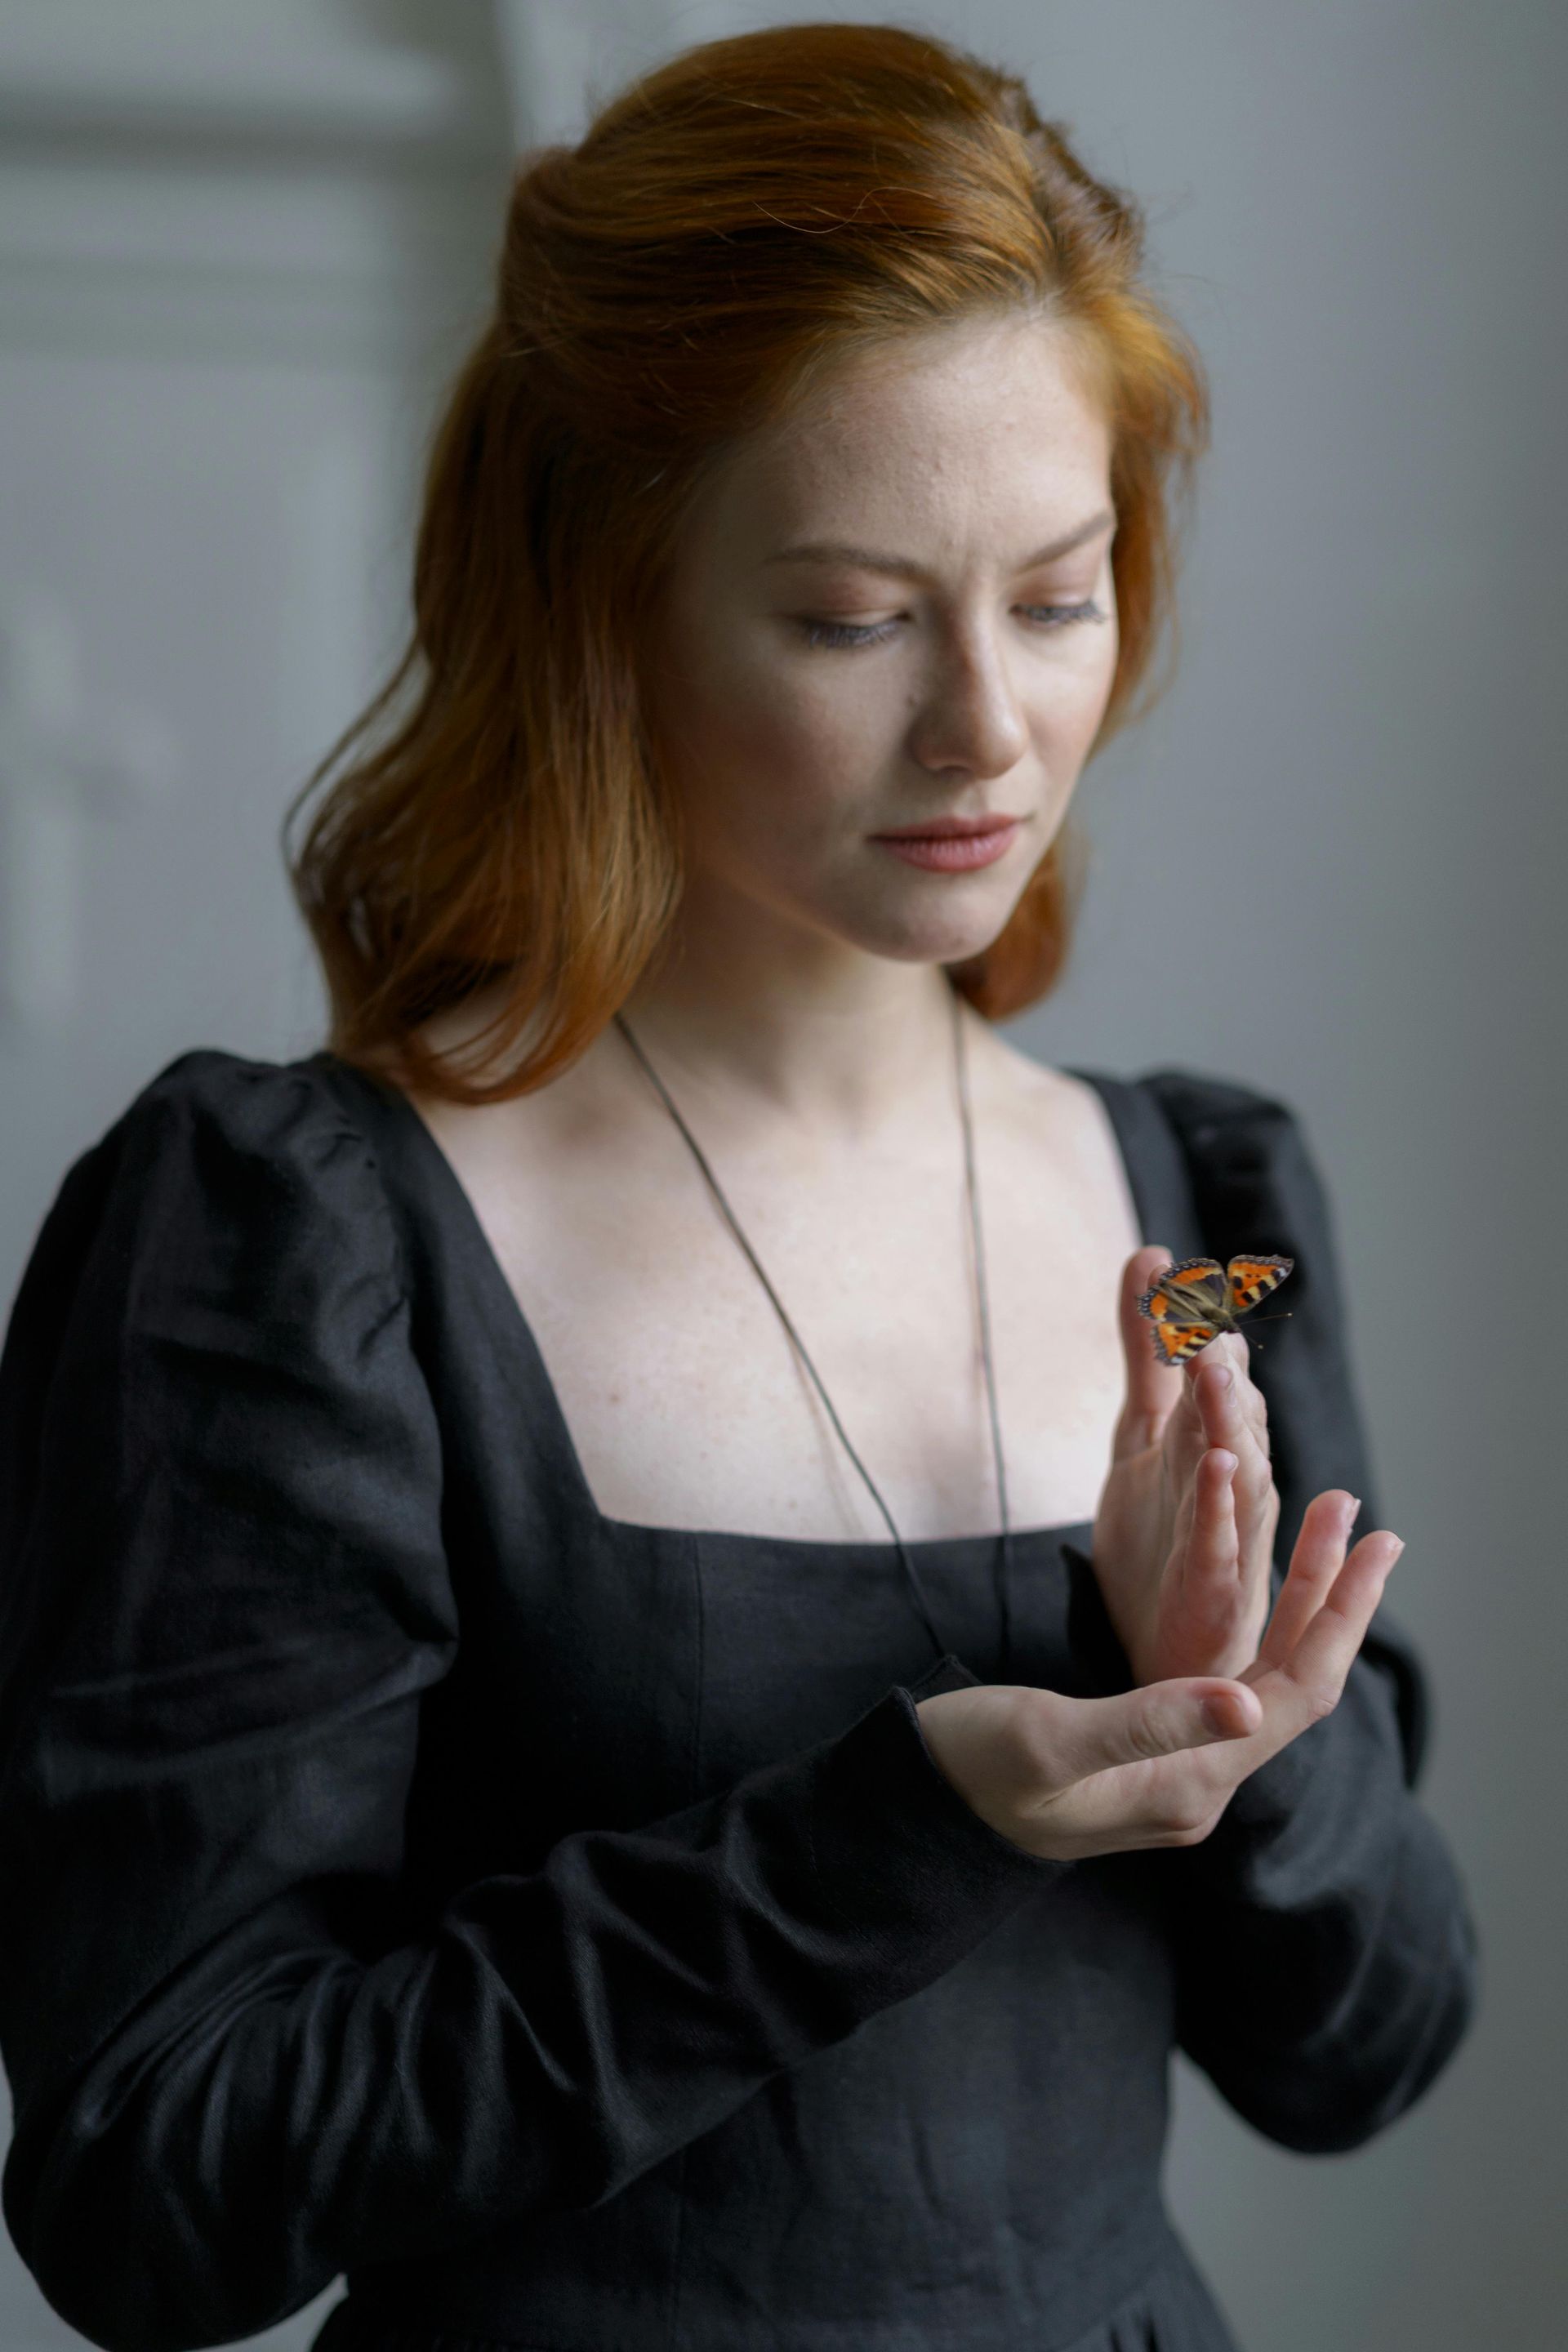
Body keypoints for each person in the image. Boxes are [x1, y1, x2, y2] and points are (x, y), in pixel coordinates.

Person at [0, 23, 1477, 2352]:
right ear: (601, 609)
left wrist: (1242, 1741)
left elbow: (1372, 2049)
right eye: (854, 618)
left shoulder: (1209, 1227)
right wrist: (884, 1835)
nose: (988, 730)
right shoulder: (299, 1247)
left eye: (1061, 594)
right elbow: (156, 2185)